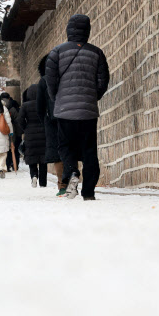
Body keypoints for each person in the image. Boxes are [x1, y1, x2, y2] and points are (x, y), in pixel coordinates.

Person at [46, 14, 110, 200]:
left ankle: (72, 172)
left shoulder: (56, 52)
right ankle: (88, 192)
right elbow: (103, 80)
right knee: (89, 150)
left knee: (65, 146)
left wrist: (58, 99)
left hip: (64, 110)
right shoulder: (97, 53)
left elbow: (51, 81)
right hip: (88, 110)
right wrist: (92, 97)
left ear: (68, 29)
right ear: (87, 30)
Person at [37, 54, 69, 196]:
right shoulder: (68, 77)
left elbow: (39, 106)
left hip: (52, 120)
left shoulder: (43, 81)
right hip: (70, 117)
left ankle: (63, 185)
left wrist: (44, 121)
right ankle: (73, 177)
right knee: (70, 149)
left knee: (57, 153)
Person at [19, 85, 47, 187]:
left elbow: (20, 120)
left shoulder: (25, 106)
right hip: (44, 133)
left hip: (30, 134)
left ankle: (34, 175)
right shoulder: (44, 104)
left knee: (32, 157)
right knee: (44, 159)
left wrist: (25, 129)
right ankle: (43, 182)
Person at [1, 92, 22, 171]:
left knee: (4, 149)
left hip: (2, 130)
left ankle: (6, 165)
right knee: (14, 148)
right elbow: (17, 122)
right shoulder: (13, 108)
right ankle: (15, 164)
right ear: (9, 98)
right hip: (12, 131)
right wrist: (19, 134)